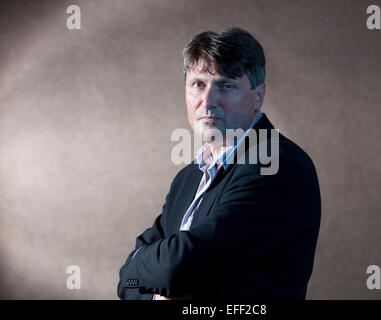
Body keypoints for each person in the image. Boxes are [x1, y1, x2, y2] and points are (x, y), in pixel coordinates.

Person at [117, 27, 321, 300]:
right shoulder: (187, 178)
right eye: (198, 84)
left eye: (226, 85)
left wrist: (140, 261)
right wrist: (154, 293)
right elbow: (125, 283)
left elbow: (178, 266)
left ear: (258, 97)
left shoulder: (278, 166)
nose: (208, 101)